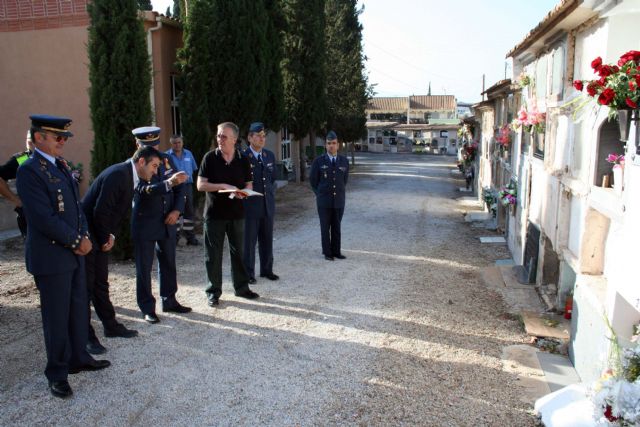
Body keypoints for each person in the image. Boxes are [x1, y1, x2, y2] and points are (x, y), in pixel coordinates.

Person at [16, 114, 110, 399]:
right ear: (39, 138)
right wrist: (75, 240)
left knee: (78, 309)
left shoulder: (60, 166)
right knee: (56, 318)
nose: (62, 142)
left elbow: (77, 208)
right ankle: (56, 373)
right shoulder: (30, 170)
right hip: (52, 257)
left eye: (64, 138)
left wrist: (85, 238)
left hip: (73, 253)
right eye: (57, 137)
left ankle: (78, 357)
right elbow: (41, 218)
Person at [81, 146, 163, 354]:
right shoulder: (119, 175)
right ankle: (86, 337)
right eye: (154, 166)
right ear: (141, 162)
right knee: (86, 287)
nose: (155, 171)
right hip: (88, 234)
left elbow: (115, 213)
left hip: (99, 234)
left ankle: (110, 325)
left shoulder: (130, 176)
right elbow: (101, 210)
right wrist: (102, 239)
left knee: (101, 282)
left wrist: (111, 236)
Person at [131, 126, 191, 324]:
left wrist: (176, 211)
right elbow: (142, 189)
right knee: (144, 266)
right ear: (137, 145)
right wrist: (168, 183)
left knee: (168, 262)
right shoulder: (133, 165)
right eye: (148, 146)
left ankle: (170, 299)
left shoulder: (166, 159)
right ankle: (147, 307)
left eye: (155, 144)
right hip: (146, 222)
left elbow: (180, 186)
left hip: (167, 220)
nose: (153, 149)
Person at [197, 122, 260, 307]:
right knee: (213, 255)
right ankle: (213, 292)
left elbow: (249, 186)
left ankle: (242, 288)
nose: (220, 139)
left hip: (237, 214)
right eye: (218, 135)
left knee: (239, 253)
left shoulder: (243, 160)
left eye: (224, 136)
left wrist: (243, 193)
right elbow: (200, 185)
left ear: (234, 139)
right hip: (214, 214)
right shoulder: (209, 158)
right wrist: (222, 186)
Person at [243, 122, 279, 284]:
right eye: (258, 136)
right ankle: (248, 273)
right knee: (249, 242)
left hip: (267, 205)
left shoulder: (269, 156)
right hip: (250, 207)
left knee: (267, 239)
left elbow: (272, 179)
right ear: (249, 138)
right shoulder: (243, 157)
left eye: (263, 136)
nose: (261, 139)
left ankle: (266, 269)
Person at [309, 131, 349, 261]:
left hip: (339, 200)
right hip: (324, 201)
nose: (331, 146)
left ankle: (336, 251)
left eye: (333, 143)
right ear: (325, 145)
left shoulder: (344, 161)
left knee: (337, 227)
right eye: (328, 143)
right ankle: (327, 252)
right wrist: (320, 194)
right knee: (325, 227)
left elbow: (344, 180)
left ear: (338, 145)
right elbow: (313, 181)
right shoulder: (318, 161)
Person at [166, 135, 199, 246]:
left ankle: (190, 238)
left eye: (179, 142)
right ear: (171, 144)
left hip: (187, 186)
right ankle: (174, 238)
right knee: (176, 210)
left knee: (189, 212)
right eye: (175, 143)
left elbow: (194, 168)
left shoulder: (188, 154)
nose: (177, 145)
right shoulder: (167, 156)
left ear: (182, 142)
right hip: (174, 187)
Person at [0, 130, 34, 237]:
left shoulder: (54, 160)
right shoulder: (22, 159)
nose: (30, 143)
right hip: (29, 215)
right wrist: (17, 201)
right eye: (29, 140)